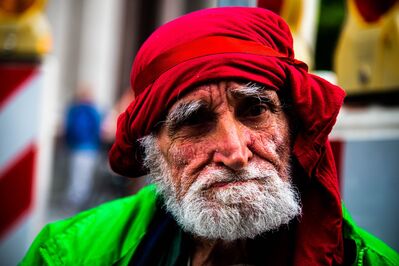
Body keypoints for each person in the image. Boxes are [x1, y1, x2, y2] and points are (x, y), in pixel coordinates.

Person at [21, 7, 398, 265]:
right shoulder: (69, 254)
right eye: (195, 121)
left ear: (293, 125)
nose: (235, 152)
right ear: (154, 151)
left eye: (255, 110)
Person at [64, 85, 101, 210]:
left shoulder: (74, 110)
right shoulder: (92, 110)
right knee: (83, 176)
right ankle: (80, 201)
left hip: (76, 147)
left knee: (76, 174)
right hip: (89, 147)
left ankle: (74, 199)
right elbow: (97, 128)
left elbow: (69, 128)